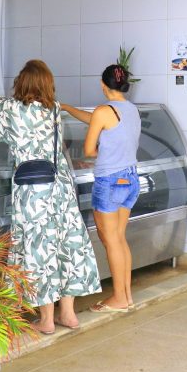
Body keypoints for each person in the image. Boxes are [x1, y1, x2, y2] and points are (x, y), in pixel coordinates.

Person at [0, 60, 101, 334]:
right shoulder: (54, 108)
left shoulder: (10, 108)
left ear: (21, 82)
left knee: (39, 248)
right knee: (67, 243)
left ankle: (46, 319)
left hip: (32, 190)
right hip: (61, 186)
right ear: (47, 84)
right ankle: (68, 314)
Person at [64, 64, 142, 313]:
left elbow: (88, 150)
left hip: (109, 181)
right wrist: (66, 108)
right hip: (130, 179)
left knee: (111, 241)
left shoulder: (103, 111)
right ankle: (126, 296)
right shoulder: (131, 109)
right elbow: (97, 119)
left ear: (102, 84)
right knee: (119, 238)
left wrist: (102, 155)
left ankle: (118, 297)